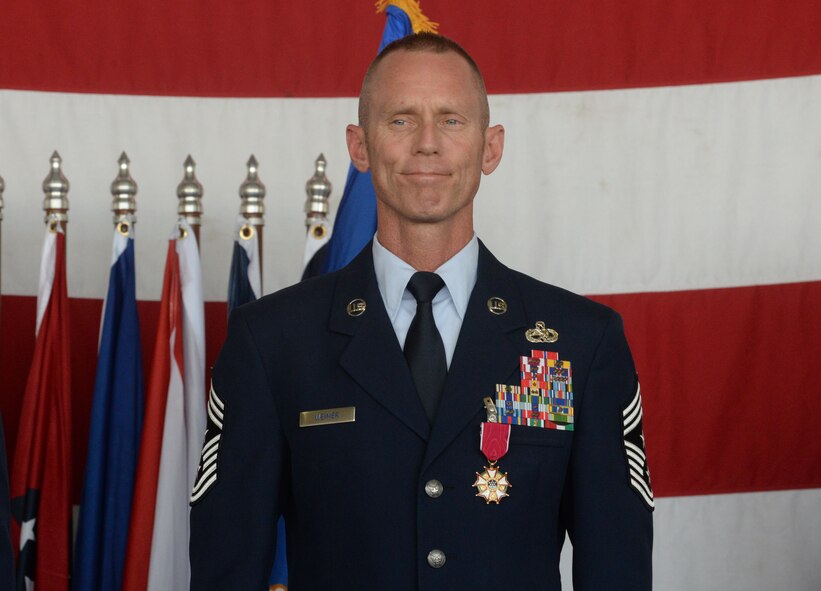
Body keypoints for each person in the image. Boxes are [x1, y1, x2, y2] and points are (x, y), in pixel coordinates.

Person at [190, 33, 653, 590]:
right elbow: (227, 566)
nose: (427, 144)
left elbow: (617, 567)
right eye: (401, 120)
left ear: (491, 147)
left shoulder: (580, 343)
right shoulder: (271, 342)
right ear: (359, 147)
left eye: (452, 120)